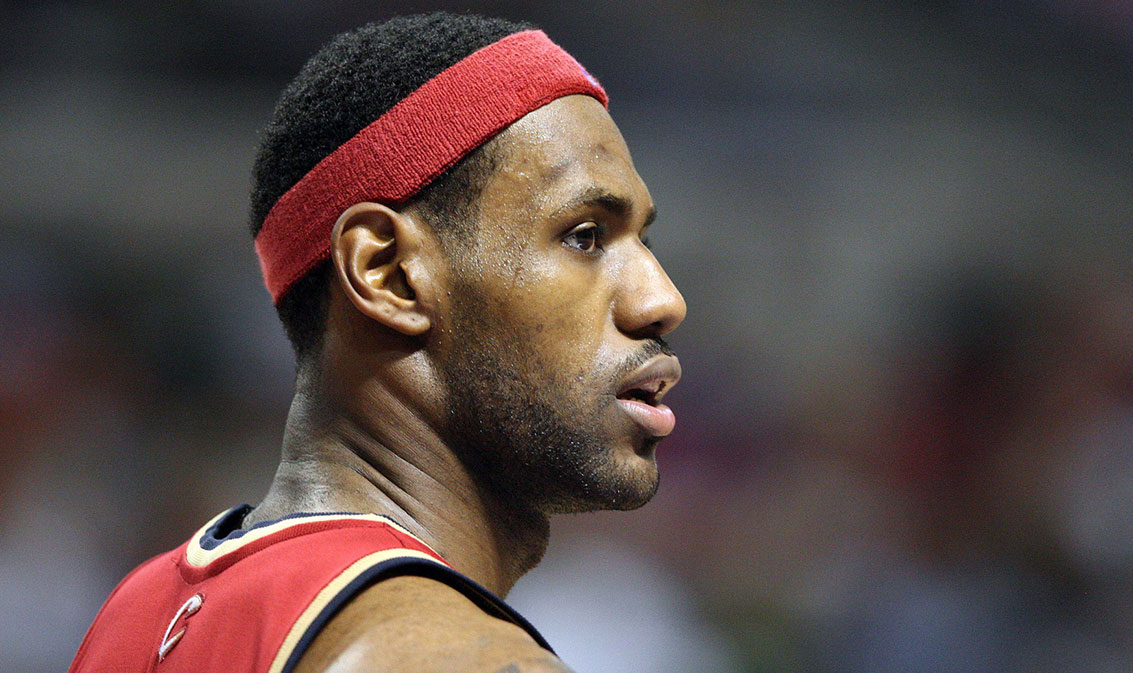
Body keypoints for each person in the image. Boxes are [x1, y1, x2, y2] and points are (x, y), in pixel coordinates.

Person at [68, 12, 685, 673]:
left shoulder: (131, 615)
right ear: (386, 274)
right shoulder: (474, 661)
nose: (662, 300)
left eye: (642, 242)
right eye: (584, 235)